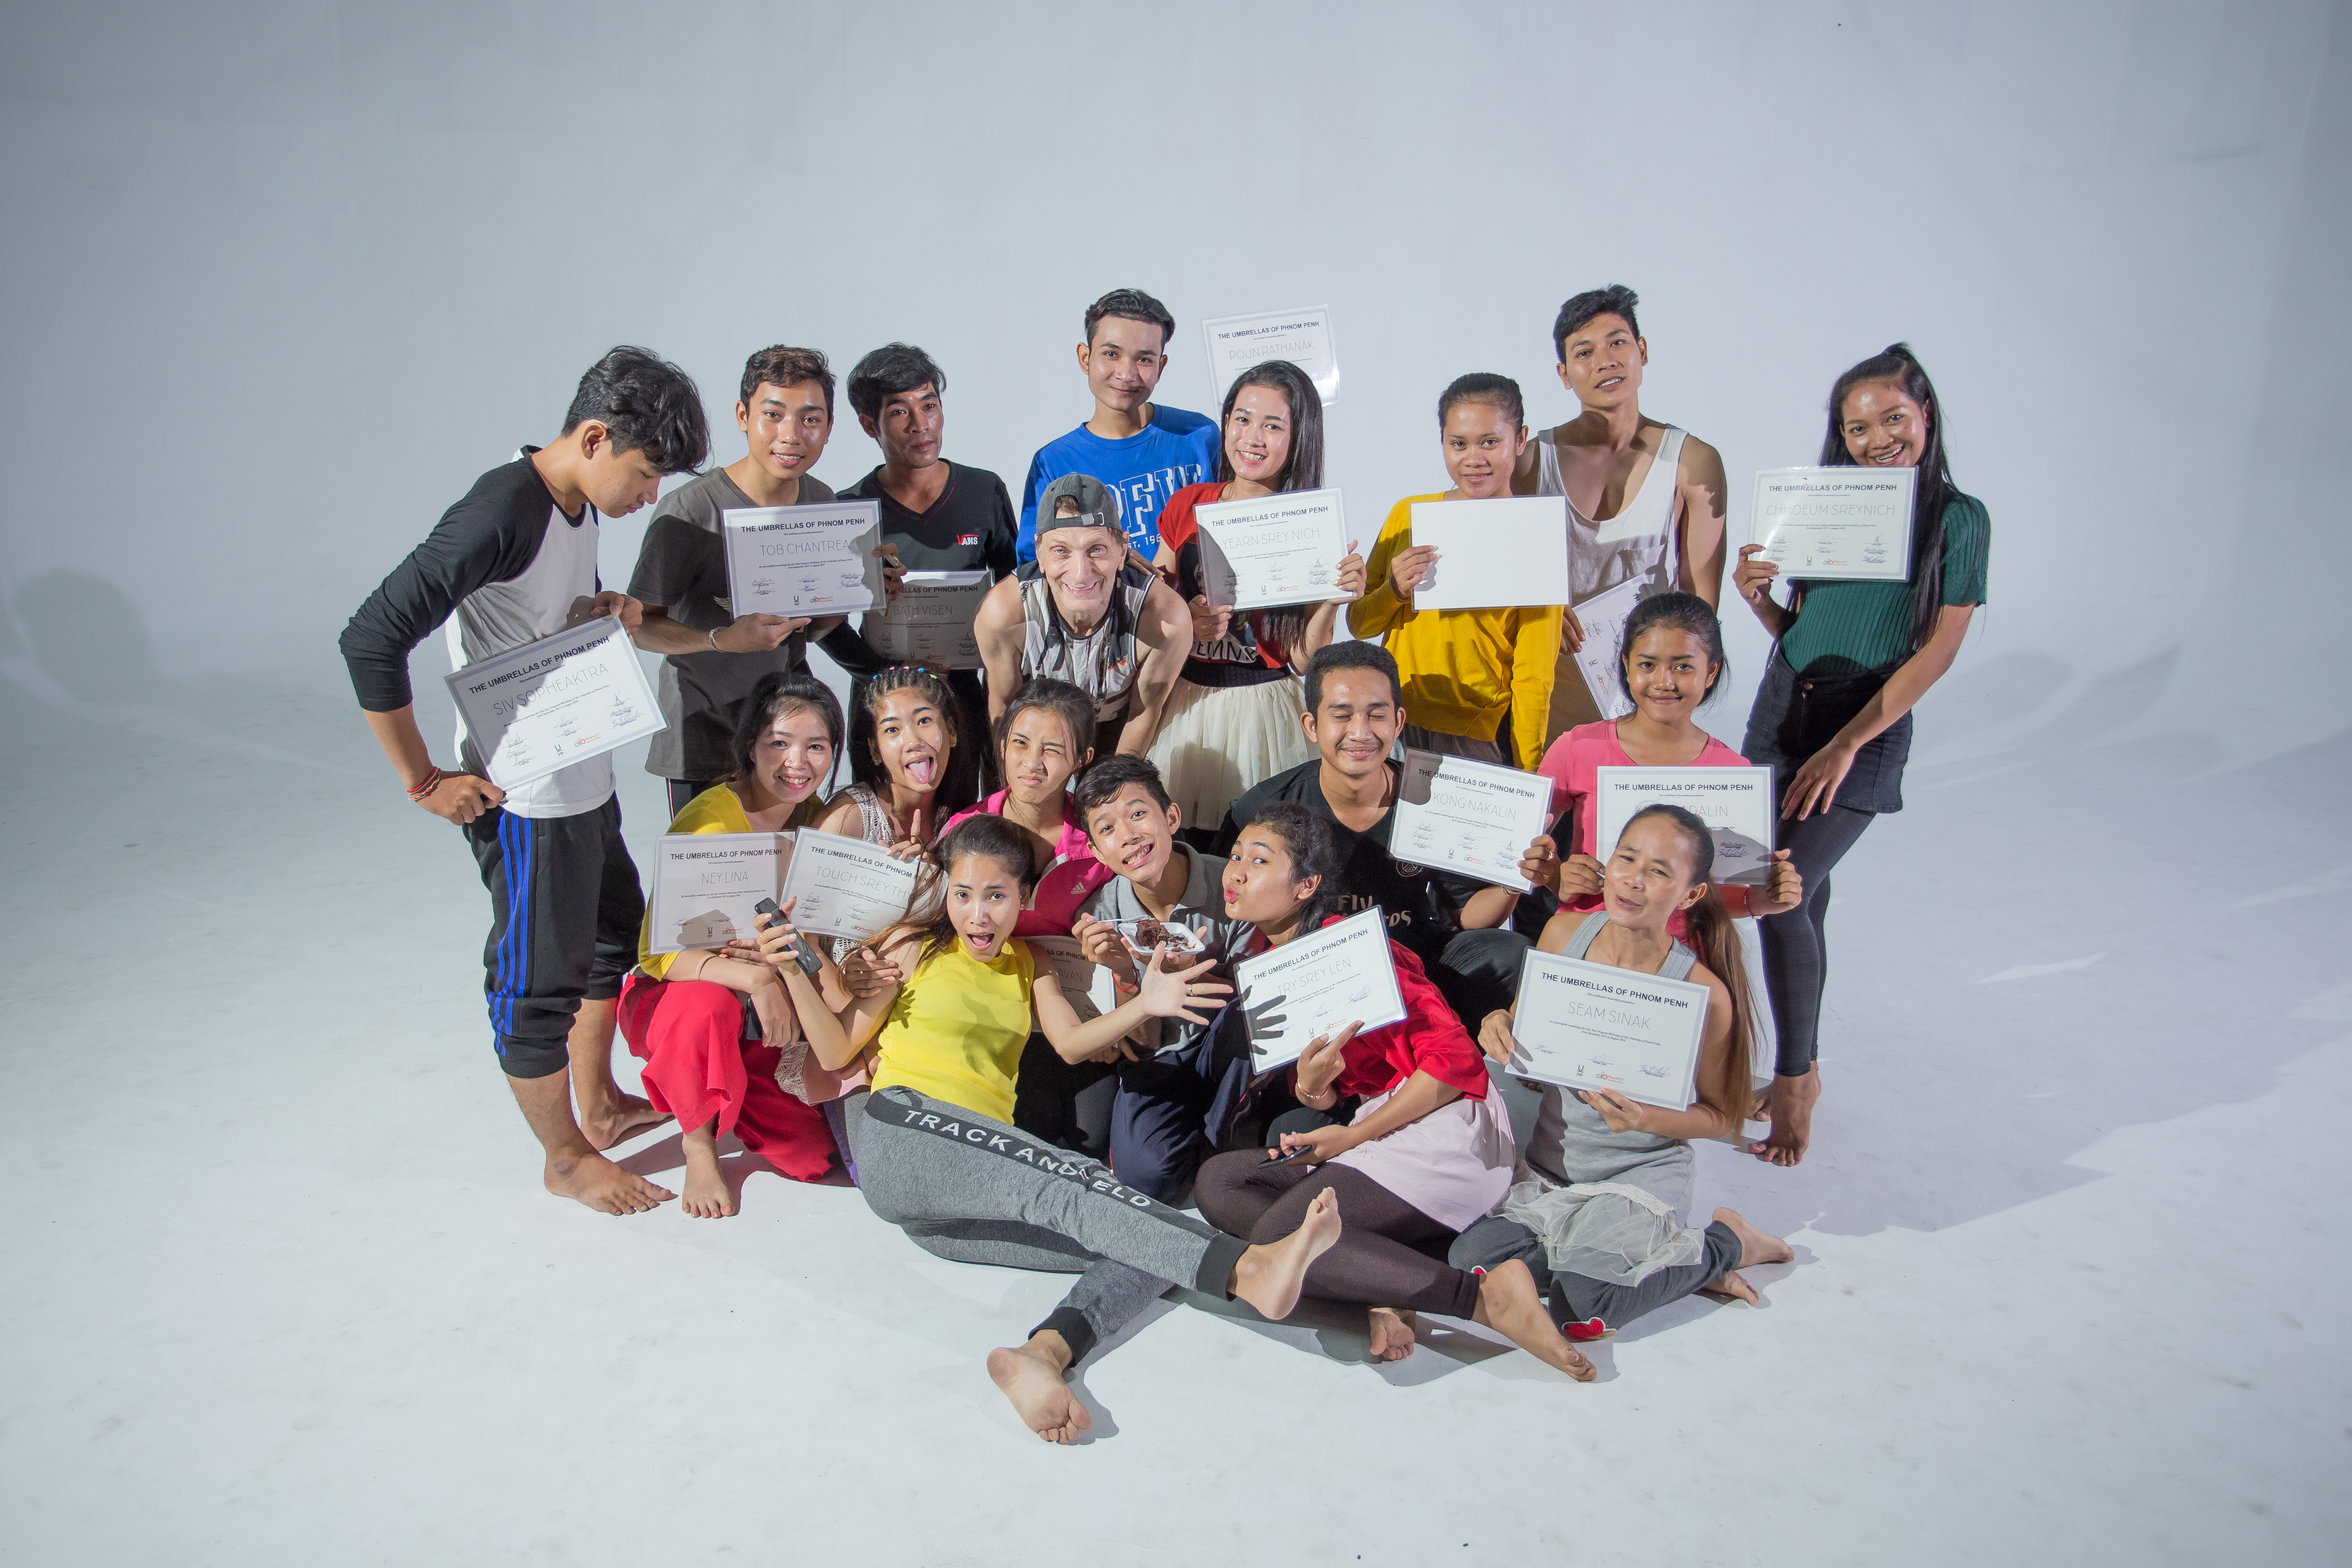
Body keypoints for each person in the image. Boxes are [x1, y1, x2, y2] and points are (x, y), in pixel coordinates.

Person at [752, 813, 1344, 1443]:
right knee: (1072, 1184)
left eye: (997, 896)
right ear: (945, 895)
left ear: (1023, 898)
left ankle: (1045, 1355)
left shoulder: (1028, 965)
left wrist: (1146, 1005)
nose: (978, 915)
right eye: (963, 895)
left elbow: (1069, 1043)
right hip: (902, 1130)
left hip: (958, 1200)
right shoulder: (914, 948)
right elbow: (837, 1050)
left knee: (1143, 1238)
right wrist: (793, 966)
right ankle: (1244, 1272)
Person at [338, 346, 704, 1214]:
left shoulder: (574, 504)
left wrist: (605, 608)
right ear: (592, 437)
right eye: (647, 473)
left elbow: (533, 615)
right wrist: (424, 780)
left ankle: (602, 1103)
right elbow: (371, 637)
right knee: (536, 984)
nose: (650, 495)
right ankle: (565, 1160)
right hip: (527, 800)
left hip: (583, 768)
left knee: (614, 937)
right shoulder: (499, 510)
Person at [1193, 803, 1598, 1376]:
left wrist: (1350, 1135)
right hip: (1379, 1127)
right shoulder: (1268, 963)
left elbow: (1456, 1067)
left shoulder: (1358, 951)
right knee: (1219, 1180)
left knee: (1279, 1234)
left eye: (1258, 861)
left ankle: (1481, 1300)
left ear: (1307, 884)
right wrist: (1312, 1091)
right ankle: (1382, 1287)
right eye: (1236, 858)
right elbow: (1331, 1089)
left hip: (1447, 1126)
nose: (1235, 872)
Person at [1730, 344, 1989, 1165]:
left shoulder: (1957, 517)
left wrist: (1846, 745)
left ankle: (1796, 1075)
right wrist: (1760, 601)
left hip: (1863, 721)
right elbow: (1808, 630)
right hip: (1782, 707)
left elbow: (1938, 651)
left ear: (1926, 415)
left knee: (1777, 895)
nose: (1876, 439)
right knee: (1798, 892)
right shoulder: (1828, 506)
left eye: (1892, 419)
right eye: (1855, 428)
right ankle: (1795, 1063)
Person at [1460, 805, 1794, 1339]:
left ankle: (1724, 1244)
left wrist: (1648, 1118)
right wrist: (1498, 1021)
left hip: (1636, 1174)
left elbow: (1721, 1116)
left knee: (1586, 1312)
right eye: (1627, 857)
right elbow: (1525, 1033)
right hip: (1551, 1167)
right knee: (1468, 1267)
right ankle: (1640, 1264)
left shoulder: (1704, 994)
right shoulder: (1562, 932)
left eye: (1659, 872)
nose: (1633, 881)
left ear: (1690, 896)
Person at [616, 672, 857, 1215]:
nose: (798, 762)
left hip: (766, 1012)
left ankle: (729, 1083)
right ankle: (699, 1143)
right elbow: (657, 955)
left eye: (816, 746)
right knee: (707, 1006)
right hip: (683, 998)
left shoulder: (821, 818)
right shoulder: (708, 823)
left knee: (814, 1159)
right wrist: (755, 977)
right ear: (750, 746)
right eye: (779, 743)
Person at [626, 345, 902, 817]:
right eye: (773, 415)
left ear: (829, 428)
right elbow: (639, 627)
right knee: (711, 880)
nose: (791, 435)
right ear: (742, 415)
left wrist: (864, 589)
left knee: (785, 877)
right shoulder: (690, 510)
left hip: (785, 733)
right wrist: (722, 640)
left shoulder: (821, 500)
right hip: (704, 734)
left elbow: (812, 627)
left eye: (810, 420)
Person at [1215, 642, 1537, 1031]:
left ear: (1399, 722)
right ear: (1312, 726)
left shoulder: (1435, 797)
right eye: (1342, 715)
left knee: (1511, 954)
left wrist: (1514, 879)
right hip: (1322, 978)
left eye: (1376, 715)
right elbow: (1228, 902)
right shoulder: (1267, 808)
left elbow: (1464, 915)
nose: (1361, 732)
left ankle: (1439, 1054)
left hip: (1417, 965)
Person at [1147, 359, 1365, 842]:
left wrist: (1332, 601)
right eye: (1243, 419)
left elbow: (1307, 660)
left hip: (1265, 709)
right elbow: (1152, 606)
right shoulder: (1188, 503)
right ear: (1225, 423)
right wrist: (1187, 620)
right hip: (1185, 699)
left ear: (1298, 437)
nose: (1253, 437)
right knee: (1180, 842)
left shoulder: (1310, 522)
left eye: (1273, 425)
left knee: (1263, 845)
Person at [1513, 285, 1731, 746]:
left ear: (1642, 351)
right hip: (1551, 689)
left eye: (1618, 342)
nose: (1605, 361)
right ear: (1564, 374)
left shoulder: (1693, 461)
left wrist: (1671, 689)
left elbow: (1702, 606)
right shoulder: (1533, 461)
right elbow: (1495, 568)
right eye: (1584, 352)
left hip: (1646, 695)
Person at [1527, 591, 1803, 931]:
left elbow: (1720, 897)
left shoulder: (1732, 774)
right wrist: (1556, 876)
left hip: (1682, 958)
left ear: (1711, 672)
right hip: (1589, 945)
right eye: (1648, 664)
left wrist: (1762, 899)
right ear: (1627, 665)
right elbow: (1520, 844)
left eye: (1683, 666)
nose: (1664, 682)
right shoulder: (1578, 747)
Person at [1060, 756, 1259, 1202]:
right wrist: (1129, 976)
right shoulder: (1098, 919)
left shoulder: (1232, 884)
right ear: (1095, 851)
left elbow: (1257, 1001)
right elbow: (1141, 1045)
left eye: (1137, 814)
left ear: (1171, 817)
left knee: (1244, 1018)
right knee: (1146, 1181)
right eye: (1107, 829)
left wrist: (1193, 979)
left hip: (1225, 1045)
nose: (1128, 836)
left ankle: (1222, 1149)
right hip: (1159, 1059)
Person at [829, 343, 1019, 799]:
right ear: (869, 425)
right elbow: (825, 623)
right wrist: (884, 673)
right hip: (880, 696)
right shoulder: (848, 511)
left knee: (964, 819)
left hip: (966, 691)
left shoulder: (983, 490)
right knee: (887, 822)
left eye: (930, 405)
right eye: (900, 412)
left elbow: (1017, 589)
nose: (922, 425)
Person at [1348, 374, 1560, 769]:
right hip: (1390, 720)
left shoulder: (1535, 535)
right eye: (1458, 444)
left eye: (1490, 442)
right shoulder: (1408, 514)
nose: (1473, 458)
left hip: (1471, 735)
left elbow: (1535, 675)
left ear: (1520, 440)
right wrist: (1393, 589)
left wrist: (1531, 773)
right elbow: (1360, 626)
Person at [974, 474, 1191, 759]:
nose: (1080, 573)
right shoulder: (1003, 613)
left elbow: (1144, 712)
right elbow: (1003, 706)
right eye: (1061, 551)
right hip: (1031, 733)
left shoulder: (1164, 618)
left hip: (1116, 726)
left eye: (1096, 550)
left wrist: (1114, 788)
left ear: (1123, 549)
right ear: (1039, 553)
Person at [1016, 288, 1219, 563]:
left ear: (1161, 367)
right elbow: (1036, 564)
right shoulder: (1053, 463)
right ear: (1085, 358)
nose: (1127, 374)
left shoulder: (1199, 436)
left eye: (1144, 359)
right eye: (1112, 354)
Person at [942, 678, 1099, 877]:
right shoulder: (959, 831)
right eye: (1020, 743)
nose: (1032, 763)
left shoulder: (1100, 837)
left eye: (1052, 750)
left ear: (1082, 759)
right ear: (1002, 747)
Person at [809, 664, 968, 857]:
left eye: (924, 721)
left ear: (951, 731)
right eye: (893, 730)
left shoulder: (968, 817)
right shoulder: (848, 818)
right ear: (875, 750)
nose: (913, 742)